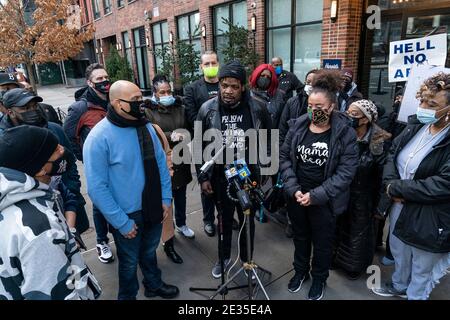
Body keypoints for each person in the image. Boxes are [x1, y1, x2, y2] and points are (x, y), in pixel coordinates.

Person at [83, 80, 179, 300]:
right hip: (126, 215)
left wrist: (165, 198)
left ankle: (153, 284)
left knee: (149, 252)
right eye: (135, 100)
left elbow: (160, 164)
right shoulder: (98, 138)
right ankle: (127, 296)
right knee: (128, 263)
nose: (141, 104)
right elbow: (97, 189)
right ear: (118, 103)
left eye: (141, 98)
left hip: (154, 206)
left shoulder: (145, 126)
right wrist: (121, 222)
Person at [280, 70, 358, 300]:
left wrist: (316, 196)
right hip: (297, 197)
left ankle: (319, 279)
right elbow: (284, 158)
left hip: (325, 201)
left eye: (320, 108)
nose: (315, 111)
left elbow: (346, 172)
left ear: (332, 107)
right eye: (311, 106)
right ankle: (300, 272)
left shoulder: (345, 133)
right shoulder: (297, 127)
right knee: (300, 238)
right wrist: (294, 189)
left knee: (322, 244)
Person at [372, 72, 450, 300]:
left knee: (422, 265)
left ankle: (416, 295)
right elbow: (392, 155)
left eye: (432, 104)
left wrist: (397, 190)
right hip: (399, 206)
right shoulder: (415, 125)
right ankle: (399, 285)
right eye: (422, 100)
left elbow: (444, 184)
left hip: (431, 215)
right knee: (399, 250)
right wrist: (390, 185)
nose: (424, 107)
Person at [0, 125, 101, 300]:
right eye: (55, 150)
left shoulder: (20, 196)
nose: (62, 150)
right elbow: (56, 293)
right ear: (39, 169)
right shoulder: (40, 229)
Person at [196, 60, 272, 279]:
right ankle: (223, 259)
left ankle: (248, 261)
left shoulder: (258, 107)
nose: (228, 91)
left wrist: (267, 170)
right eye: (224, 85)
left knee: (248, 220)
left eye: (234, 86)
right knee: (224, 220)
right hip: (221, 176)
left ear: (243, 87)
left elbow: (270, 138)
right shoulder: (207, 109)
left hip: (249, 175)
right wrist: (203, 177)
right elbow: (199, 145)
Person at [0, 88, 89, 235]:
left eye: (35, 106)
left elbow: (70, 161)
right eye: (25, 108)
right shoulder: (5, 144)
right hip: (33, 216)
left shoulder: (54, 129)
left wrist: (72, 190)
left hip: (67, 203)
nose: (33, 110)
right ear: (10, 111)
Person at [334, 99, 392, 279]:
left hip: (365, 197)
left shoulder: (379, 141)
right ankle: (335, 259)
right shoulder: (343, 134)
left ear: (366, 119)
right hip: (342, 192)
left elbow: (385, 176)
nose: (349, 117)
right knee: (338, 228)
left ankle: (354, 266)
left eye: (354, 114)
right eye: (348, 113)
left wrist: (381, 206)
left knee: (358, 234)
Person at [63, 63, 114, 264]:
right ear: (89, 83)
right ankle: (102, 241)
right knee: (101, 204)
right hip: (97, 167)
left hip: (117, 164)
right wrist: (86, 157)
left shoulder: (114, 100)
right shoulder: (79, 108)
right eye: (99, 79)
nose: (104, 82)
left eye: (106, 77)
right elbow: (68, 138)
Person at [184, 51, 238, 236]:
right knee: (206, 184)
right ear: (201, 67)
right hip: (206, 144)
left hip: (228, 145)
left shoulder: (226, 85)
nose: (210, 66)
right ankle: (208, 220)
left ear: (218, 63)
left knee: (229, 181)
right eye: (206, 64)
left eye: (213, 62)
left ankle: (226, 217)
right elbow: (192, 117)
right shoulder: (192, 89)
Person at [145, 75, 194, 264]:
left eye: (169, 91)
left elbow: (189, 128)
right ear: (155, 94)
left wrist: (185, 136)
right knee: (166, 202)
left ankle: (181, 223)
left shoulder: (180, 108)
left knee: (181, 195)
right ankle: (169, 241)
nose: (167, 95)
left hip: (181, 159)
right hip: (163, 164)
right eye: (162, 92)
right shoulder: (148, 112)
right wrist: (170, 135)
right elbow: (150, 134)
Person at [279, 69, 319, 144]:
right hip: (294, 144)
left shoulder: (325, 103)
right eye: (308, 82)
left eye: (315, 83)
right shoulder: (292, 102)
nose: (310, 85)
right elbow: (282, 128)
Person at [249, 63, 286, 128]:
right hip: (254, 135)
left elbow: (283, 119)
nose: (265, 78)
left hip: (274, 133)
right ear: (257, 76)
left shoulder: (279, 96)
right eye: (262, 75)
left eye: (268, 77)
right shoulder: (249, 95)